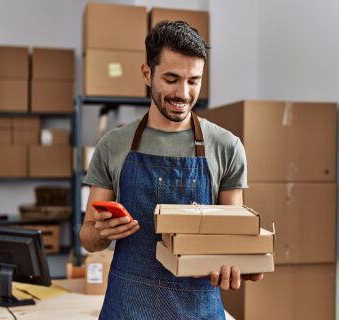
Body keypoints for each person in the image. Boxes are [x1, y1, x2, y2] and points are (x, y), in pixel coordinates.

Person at [80, 20, 263, 319]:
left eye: (194, 80)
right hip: (128, 309)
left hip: (198, 310)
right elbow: (87, 236)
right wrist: (101, 232)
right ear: (147, 74)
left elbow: (231, 236)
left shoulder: (227, 147)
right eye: (171, 79)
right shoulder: (113, 144)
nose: (183, 93)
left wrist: (234, 263)